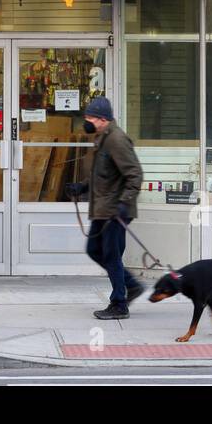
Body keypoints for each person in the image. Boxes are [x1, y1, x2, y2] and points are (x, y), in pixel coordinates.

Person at [69, 96, 144, 320]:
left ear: (103, 119)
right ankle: (130, 285)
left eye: (90, 117)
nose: (87, 121)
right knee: (94, 250)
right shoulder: (103, 137)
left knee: (111, 255)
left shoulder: (117, 140)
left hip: (115, 211)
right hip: (103, 208)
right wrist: (81, 187)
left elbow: (134, 175)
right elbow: (103, 175)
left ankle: (119, 304)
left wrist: (123, 203)